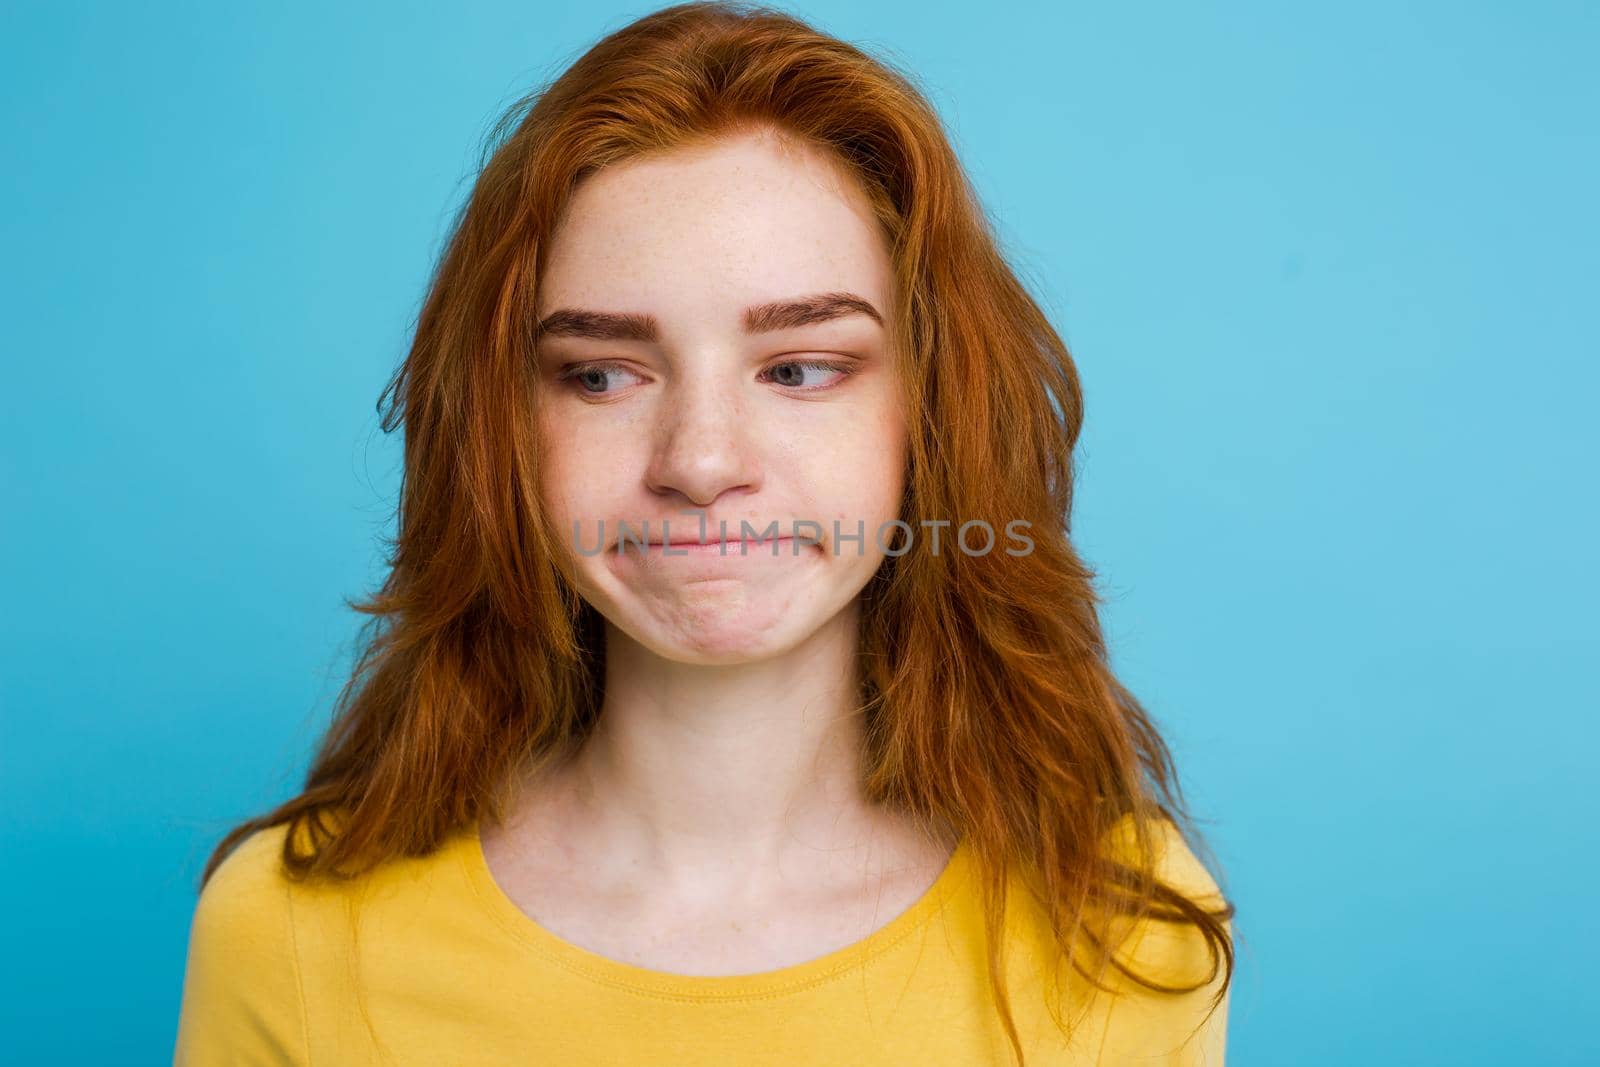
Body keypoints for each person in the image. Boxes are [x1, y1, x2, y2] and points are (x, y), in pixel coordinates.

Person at [173, 3, 1237, 1064]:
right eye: (599, 374)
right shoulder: (287, 931)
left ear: (931, 413)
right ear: (501, 428)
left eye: (799, 369)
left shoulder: (1122, 931)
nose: (700, 460)